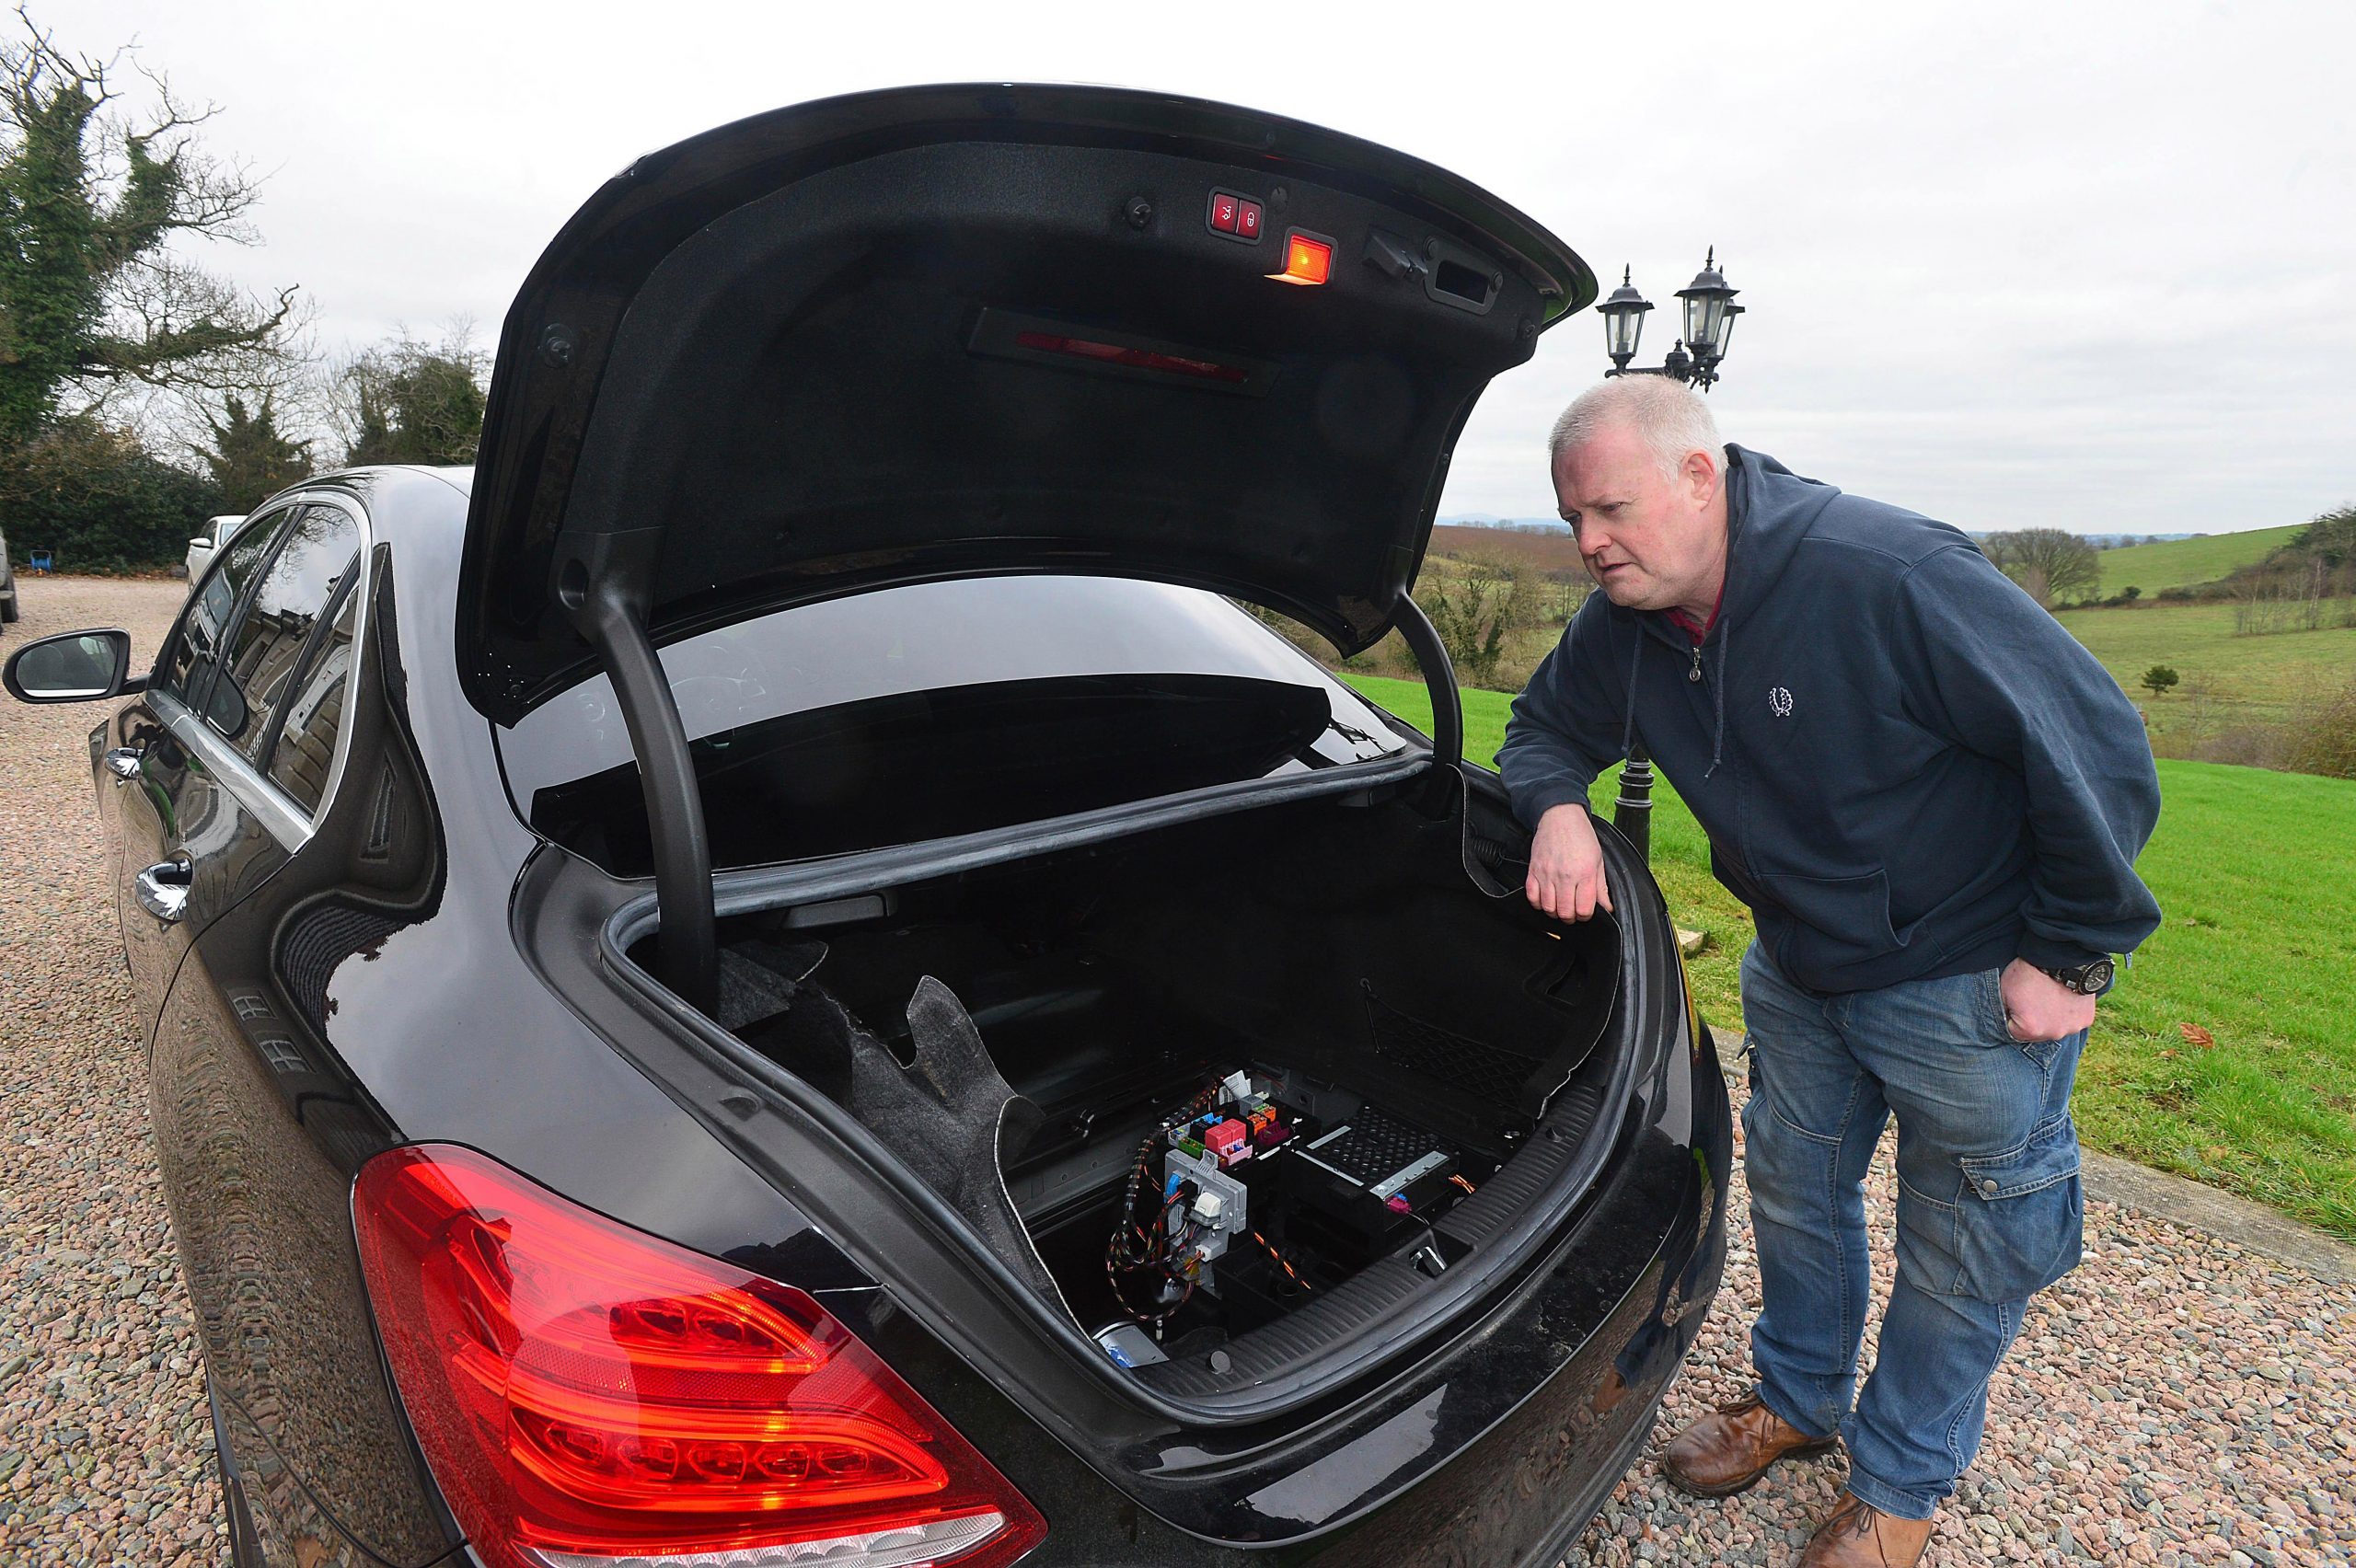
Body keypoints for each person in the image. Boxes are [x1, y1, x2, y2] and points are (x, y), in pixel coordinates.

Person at [1498, 379, 2160, 1567]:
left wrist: (2070, 953)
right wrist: (1555, 810)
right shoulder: (1629, 626)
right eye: (1571, 521)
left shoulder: (1883, 574)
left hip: (1963, 985)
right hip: (1799, 972)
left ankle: (1897, 1489)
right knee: (1796, 1200)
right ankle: (1799, 1402)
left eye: (1609, 509)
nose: (1589, 543)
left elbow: (2098, 740)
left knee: (1964, 1246)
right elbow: (1541, 729)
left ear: (1700, 476)